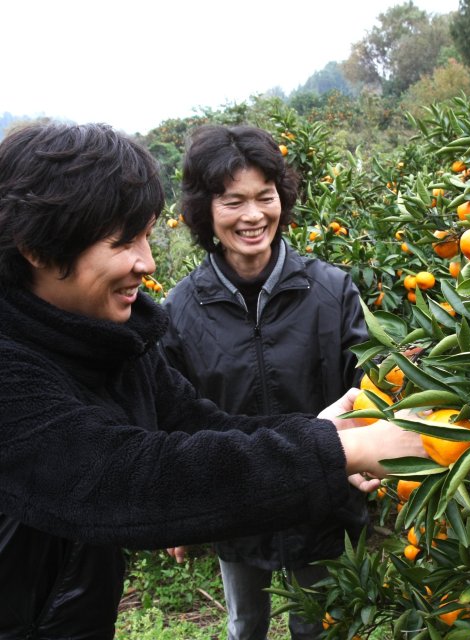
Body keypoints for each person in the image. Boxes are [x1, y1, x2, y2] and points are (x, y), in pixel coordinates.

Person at [0, 121, 425, 640]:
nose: (147, 262)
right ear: (38, 250)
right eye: (122, 242)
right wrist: (343, 453)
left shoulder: (114, 342)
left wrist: (333, 437)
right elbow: (123, 474)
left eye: (147, 236)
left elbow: (200, 424)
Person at [160, 124, 369, 640]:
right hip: (236, 505)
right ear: (205, 211)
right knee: (245, 624)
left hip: (322, 502)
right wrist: (177, 510)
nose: (253, 216)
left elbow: (366, 385)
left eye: (265, 197)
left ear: (283, 199)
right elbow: (169, 415)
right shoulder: (181, 309)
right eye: (233, 201)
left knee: (316, 627)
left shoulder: (330, 290)